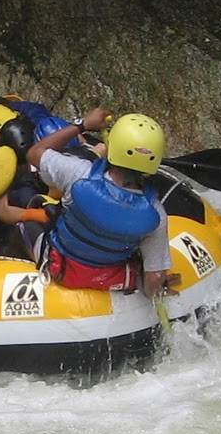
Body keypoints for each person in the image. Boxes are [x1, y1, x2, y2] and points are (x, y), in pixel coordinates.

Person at [24, 107, 181, 296]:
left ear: (110, 146)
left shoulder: (77, 172)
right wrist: (156, 290)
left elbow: (35, 152)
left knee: (28, 216)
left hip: (61, 270)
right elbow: (154, 278)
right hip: (114, 279)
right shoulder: (156, 213)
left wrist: (82, 125)